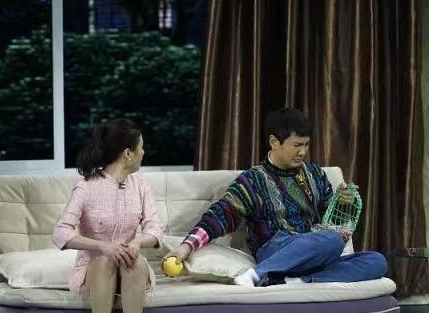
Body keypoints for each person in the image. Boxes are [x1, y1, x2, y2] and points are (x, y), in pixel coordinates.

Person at [166, 107, 387, 287]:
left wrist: (344, 204)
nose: (302, 152)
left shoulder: (316, 174)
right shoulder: (254, 180)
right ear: (274, 142)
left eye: (306, 145)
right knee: (331, 240)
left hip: (312, 252)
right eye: (296, 145)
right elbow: (220, 215)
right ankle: (256, 274)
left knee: (377, 261)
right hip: (275, 248)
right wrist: (186, 247)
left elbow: (332, 222)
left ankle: (296, 282)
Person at [53, 119, 163, 313]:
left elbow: (155, 229)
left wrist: (137, 243)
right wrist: (104, 247)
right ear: (128, 154)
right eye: (141, 147)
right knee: (104, 261)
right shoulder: (86, 187)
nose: (143, 152)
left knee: (134, 261)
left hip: (130, 270)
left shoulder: (140, 185)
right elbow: (61, 232)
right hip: (94, 270)